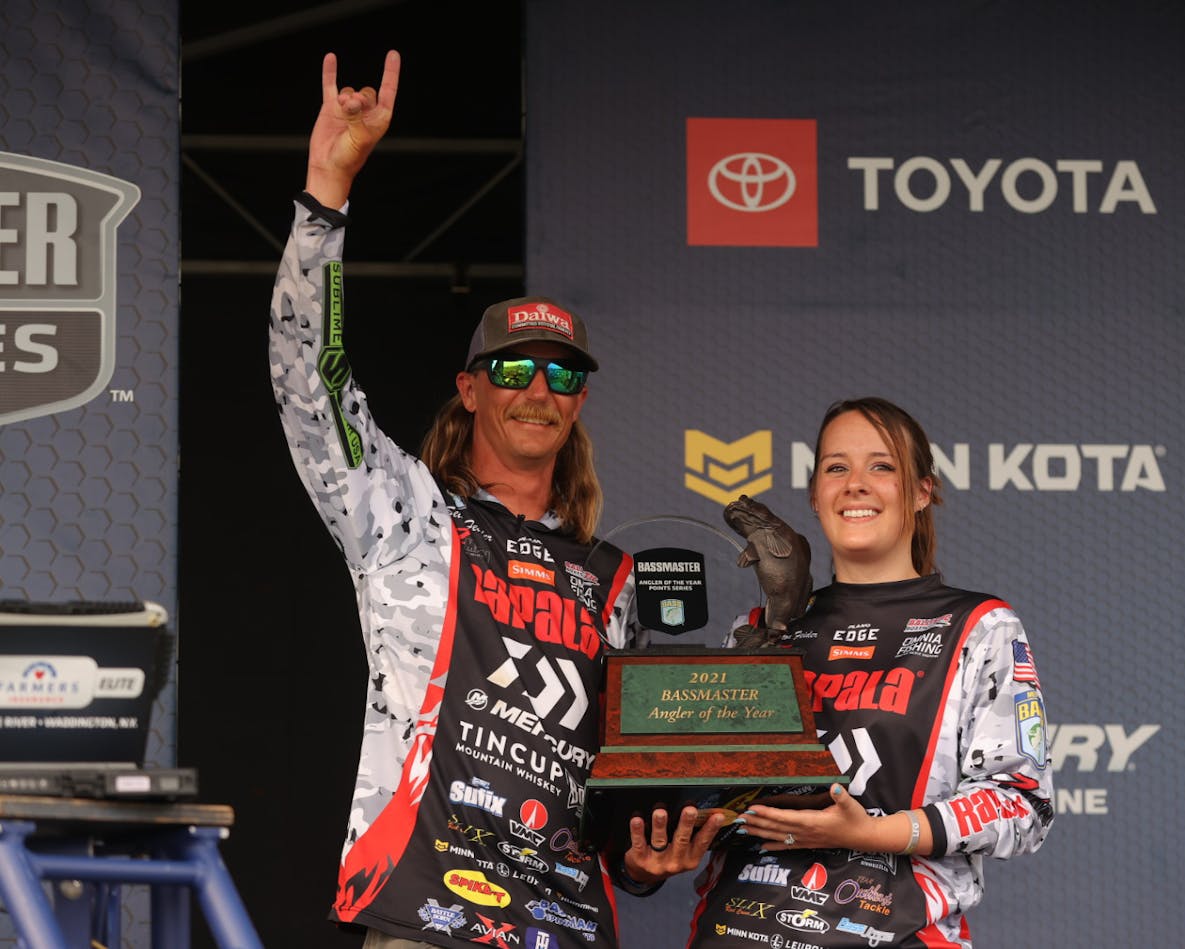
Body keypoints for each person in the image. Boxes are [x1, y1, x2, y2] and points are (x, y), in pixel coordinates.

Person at [269, 51, 717, 948]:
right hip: (421, 911)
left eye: (561, 373)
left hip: (566, 925)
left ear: (579, 400)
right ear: (471, 389)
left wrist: (644, 857)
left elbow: (613, 791)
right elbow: (312, 383)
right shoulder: (404, 516)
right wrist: (326, 195)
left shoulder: (612, 576)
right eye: (513, 368)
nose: (537, 388)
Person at [680, 397, 1055, 948]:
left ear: (922, 491)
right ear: (815, 495)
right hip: (736, 931)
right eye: (837, 467)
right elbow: (703, 791)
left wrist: (874, 833)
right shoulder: (758, 629)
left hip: (895, 933)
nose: (856, 483)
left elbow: (1024, 803)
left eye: (882, 466)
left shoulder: (978, 626)